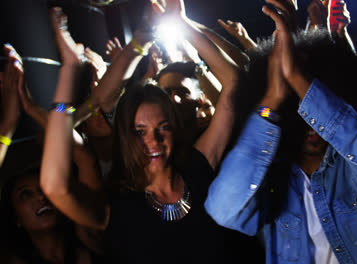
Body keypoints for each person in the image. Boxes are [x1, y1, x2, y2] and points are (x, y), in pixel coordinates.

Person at [40, 1, 263, 263]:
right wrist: (69, 70)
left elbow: (233, 82)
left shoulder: (197, 165)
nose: (153, 141)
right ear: (125, 136)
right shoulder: (116, 205)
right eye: (139, 131)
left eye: (162, 128)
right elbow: (54, 187)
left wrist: (181, 23)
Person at [204, 0, 357, 263]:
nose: (310, 125)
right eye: (295, 111)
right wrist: (271, 100)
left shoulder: (350, 164)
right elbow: (223, 209)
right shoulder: (270, 175)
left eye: (313, 107)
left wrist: (297, 77)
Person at [0, 161, 102, 264]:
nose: (41, 196)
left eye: (44, 189)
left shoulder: (92, 242)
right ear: (16, 217)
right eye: (26, 194)